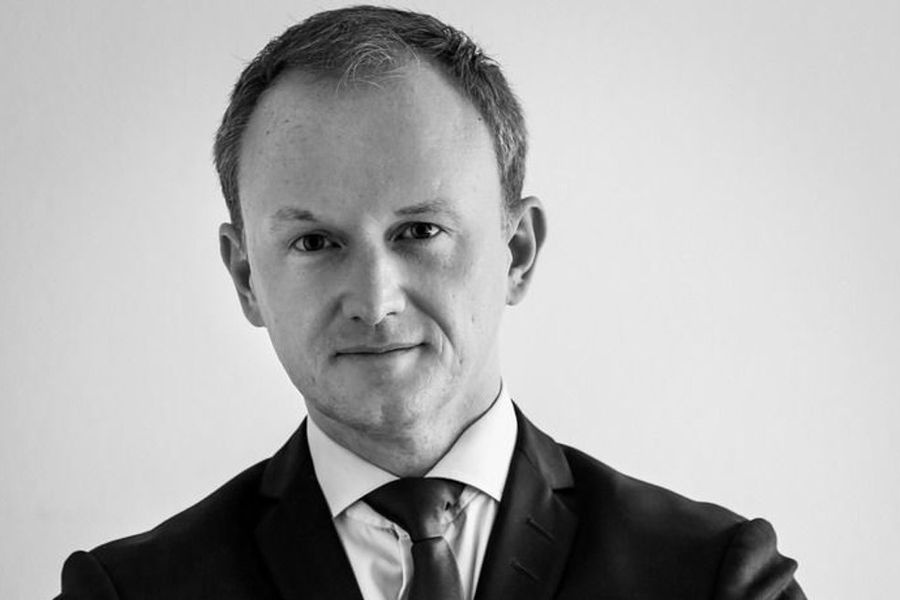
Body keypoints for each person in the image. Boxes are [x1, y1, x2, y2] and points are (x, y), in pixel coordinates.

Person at [56, 6, 805, 599]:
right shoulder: (126, 592)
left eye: (419, 231)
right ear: (246, 276)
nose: (374, 301)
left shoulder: (716, 579)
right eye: (314, 242)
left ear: (518, 252)